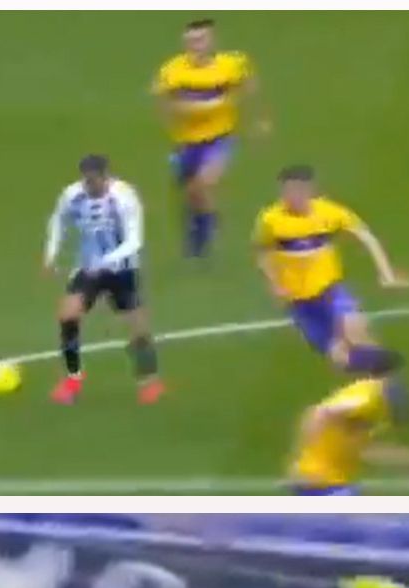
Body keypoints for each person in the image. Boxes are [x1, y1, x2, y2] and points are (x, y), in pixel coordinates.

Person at [253, 165, 409, 372]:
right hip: (300, 303)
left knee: (356, 335)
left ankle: (388, 386)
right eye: (287, 191)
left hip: (330, 291)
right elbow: (262, 252)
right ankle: (375, 381)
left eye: (298, 191)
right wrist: (274, 283)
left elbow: (366, 237)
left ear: (310, 191)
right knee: (341, 359)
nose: (292, 197)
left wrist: (386, 274)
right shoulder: (270, 220)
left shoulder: (330, 213)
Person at [42, 154, 162, 404]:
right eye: (86, 180)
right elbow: (58, 221)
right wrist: (51, 255)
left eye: (94, 180)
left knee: (138, 327)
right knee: (68, 315)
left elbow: (134, 241)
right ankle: (73, 379)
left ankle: (148, 381)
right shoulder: (73, 195)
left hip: (122, 269)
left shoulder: (124, 197)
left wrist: (105, 262)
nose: (90, 185)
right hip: (88, 268)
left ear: (105, 175)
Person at [152, 18, 270, 257]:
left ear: (212, 41)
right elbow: (162, 101)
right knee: (191, 194)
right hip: (186, 142)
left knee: (205, 183)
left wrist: (260, 119)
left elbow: (250, 87)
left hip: (220, 138)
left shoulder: (230, 66)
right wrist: (177, 114)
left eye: (201, 39)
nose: (197, 45)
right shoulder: (173, 71)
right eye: (192, 41)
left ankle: (208, 225)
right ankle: (198, 231)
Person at [285, 371, 409, 495]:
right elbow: (318, 413)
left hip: (333, 480)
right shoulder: (366, 400)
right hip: (319, 479)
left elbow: (366, 450)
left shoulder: (367, 406)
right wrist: (300, 459)